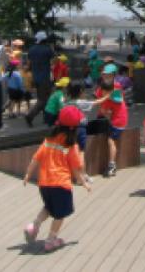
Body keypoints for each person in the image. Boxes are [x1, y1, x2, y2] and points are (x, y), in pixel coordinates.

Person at [23, 105, 91, 252]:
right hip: (60, 184)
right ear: (74, 128)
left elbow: (36, 158)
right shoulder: (71, 145)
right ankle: (51, 240)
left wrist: (28, 174)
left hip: (44, 184)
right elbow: (76, 168)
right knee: (60, 214)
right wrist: (83, 182)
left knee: (49, 207)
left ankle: (33, 226)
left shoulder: (48, 140)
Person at [93, 64, 128, 177]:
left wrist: (106, 111)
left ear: (113, 75)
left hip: (116, 119)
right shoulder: (101, 86)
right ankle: (98, 162)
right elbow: (99, 98)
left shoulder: (116, 87)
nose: (105, 76)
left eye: (107, 75)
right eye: (104, 74)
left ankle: (112, 165)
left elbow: (113, 98)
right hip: (105, 115)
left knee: (110, 140)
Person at [25, 31, 55, 128]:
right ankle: (30, 116)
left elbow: (28, 64)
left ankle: (45, 118)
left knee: (41, 98)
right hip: (45, 78)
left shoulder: (31, 49)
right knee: (44, 100)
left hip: (35, 77)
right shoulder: (47, 50)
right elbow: (53, 62)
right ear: (44, 39)